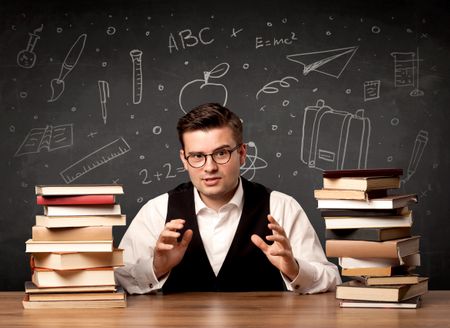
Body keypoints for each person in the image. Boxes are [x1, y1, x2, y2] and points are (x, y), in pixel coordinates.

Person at [115, 103, 341, 294]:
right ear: (184, 159)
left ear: (242, 153)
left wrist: (294, 269)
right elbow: (118, 279)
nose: (210, 167)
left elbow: (331, 280)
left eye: (221, 153)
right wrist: (156, 268)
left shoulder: (282, 207)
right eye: (197, 156)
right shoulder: (157, 211)